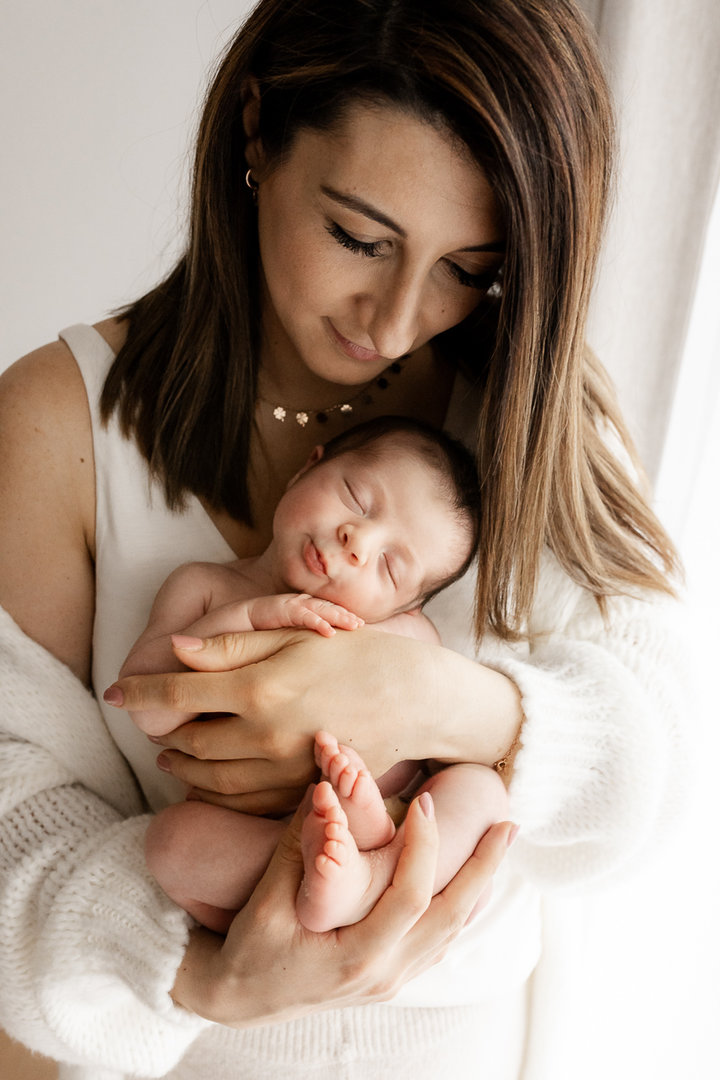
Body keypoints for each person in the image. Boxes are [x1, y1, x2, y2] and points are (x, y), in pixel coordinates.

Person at [0, 1, 688, 1078]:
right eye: (360, 238)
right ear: (257, 132)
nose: (398, 321)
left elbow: (661, 771)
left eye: (470, 267)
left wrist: (440, 705)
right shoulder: (58, 425)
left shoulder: (532, 414)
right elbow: (12, 828)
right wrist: (205, 975)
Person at [121, 416, 509, 935]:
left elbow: (446, 730)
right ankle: (327, 880)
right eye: (356, 498)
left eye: (390, 568)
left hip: (395, 819)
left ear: (409, 605)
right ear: (306, 468)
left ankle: (369, 883)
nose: (359, 540)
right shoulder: (206, 588)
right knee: (169, 844)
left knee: (482, 792)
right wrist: (253, 619)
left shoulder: (398, 632)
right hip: (264, 835)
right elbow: (145, 704)